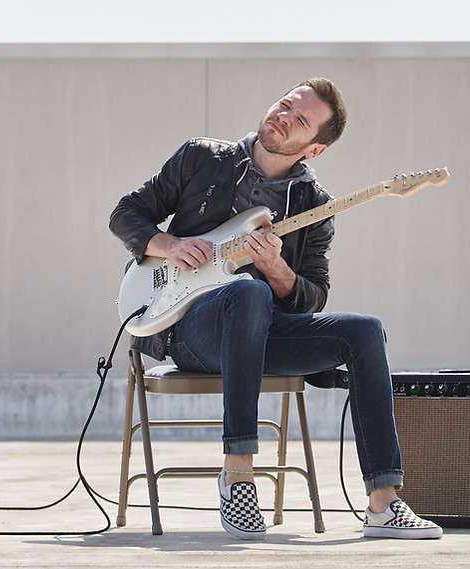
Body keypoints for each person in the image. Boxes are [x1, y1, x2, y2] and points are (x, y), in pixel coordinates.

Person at [109, 78, 441, 540]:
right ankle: (238, 476)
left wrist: (278, 269)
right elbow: (125, 213)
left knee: (365, 330)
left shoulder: (314, 205)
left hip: (262, 332)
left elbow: (313, 296)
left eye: (300, 120)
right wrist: (171, 245)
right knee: (251, 293)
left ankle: (383, 504)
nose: (284, 117)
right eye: (285, 105)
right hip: (186, 328)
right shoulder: (202, 158)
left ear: (315, 149)